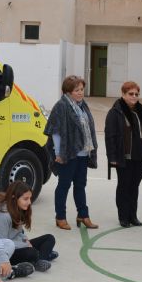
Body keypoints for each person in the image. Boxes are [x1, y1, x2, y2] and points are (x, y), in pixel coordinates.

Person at [45, 75, 99, 231]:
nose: (80, 92)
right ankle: (60, 217)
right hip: (67, 154)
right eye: (77, 90)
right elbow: (55, 131)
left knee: (80, 185)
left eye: (82, 89)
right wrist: (59, 153)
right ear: (68, 91)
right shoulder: (61, 106)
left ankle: (83, 215)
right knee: (64, 185)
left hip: (82, 153)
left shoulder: (82, 105)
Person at [105, 81, 142, 227]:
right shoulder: (115, 112)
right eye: (130, 94)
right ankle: (123, 217)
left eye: (136, 94)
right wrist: (112, 157)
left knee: (134, 187)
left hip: (141, 157)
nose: (134, 97)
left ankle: (132, 216)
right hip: (124, 158)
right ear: (123, 94)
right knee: (124, 186)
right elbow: (110, 136)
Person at [0, 181, 58, 273]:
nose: (29, 202)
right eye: (26, 199)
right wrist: (24, 244)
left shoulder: (17, 208)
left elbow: (19, 232)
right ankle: (41, 256)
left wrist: (25, 240)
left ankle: (40, 259)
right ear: (14, 197)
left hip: (16, 244)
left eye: (30, 198)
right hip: (4, 252)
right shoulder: (1, 215)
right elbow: (1, 243)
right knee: (31, 252)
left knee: (49, 238)